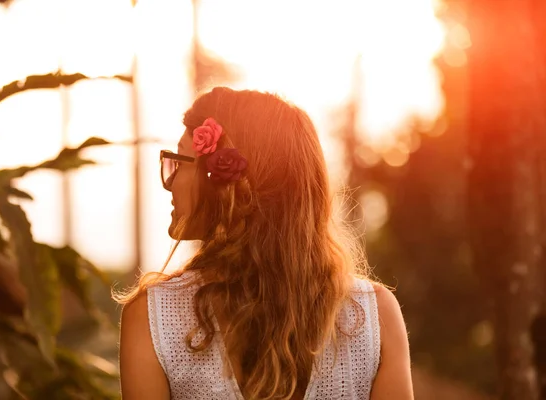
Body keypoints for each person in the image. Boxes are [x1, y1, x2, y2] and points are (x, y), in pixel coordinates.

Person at [117, 87, 413, 400]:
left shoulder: (154, 318)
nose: (171, 182)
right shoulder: (375, 316)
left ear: (223, 182)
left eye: (180, 160)